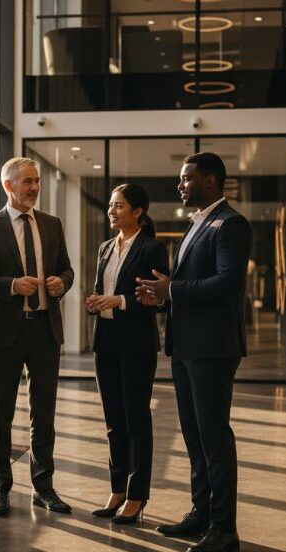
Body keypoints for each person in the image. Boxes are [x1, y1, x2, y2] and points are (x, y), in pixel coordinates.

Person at [136, 152, 252, 552]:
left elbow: (227, 283)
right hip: (186, 346)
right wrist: (162, 296)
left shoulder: (231, 224)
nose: (180, 185)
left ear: (210, 180)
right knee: (194, 435)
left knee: (213, 437)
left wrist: (172, 289)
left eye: (187, 178)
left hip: (213, 348)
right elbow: (190, 285)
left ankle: (224, 527)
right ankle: (201, 513)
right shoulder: (197, 223)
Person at [0, 157, 75, 517]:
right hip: (5, 331)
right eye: (27, 181)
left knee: (44, 413)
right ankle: (0, 487)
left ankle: (44, 486)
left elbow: (67, 269)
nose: (34, 188)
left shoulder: (52, 224)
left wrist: (61, 283)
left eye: (37, 181)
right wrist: (12, 285)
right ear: (8, 186)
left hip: (45, 327)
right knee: (1, 414)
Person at [85, 184, 168, 525]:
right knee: (113, 422)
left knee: (136, 420)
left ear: (137, 212)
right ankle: (117, 489)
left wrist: (118, 301)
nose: (112, 211)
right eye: (111, 205)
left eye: (119, 206)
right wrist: (95, 301)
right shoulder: (106, 247)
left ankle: (137, 495)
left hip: (136, 344)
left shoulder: (152, 248)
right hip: (105, 342)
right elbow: (100, 289)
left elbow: (157, 300)